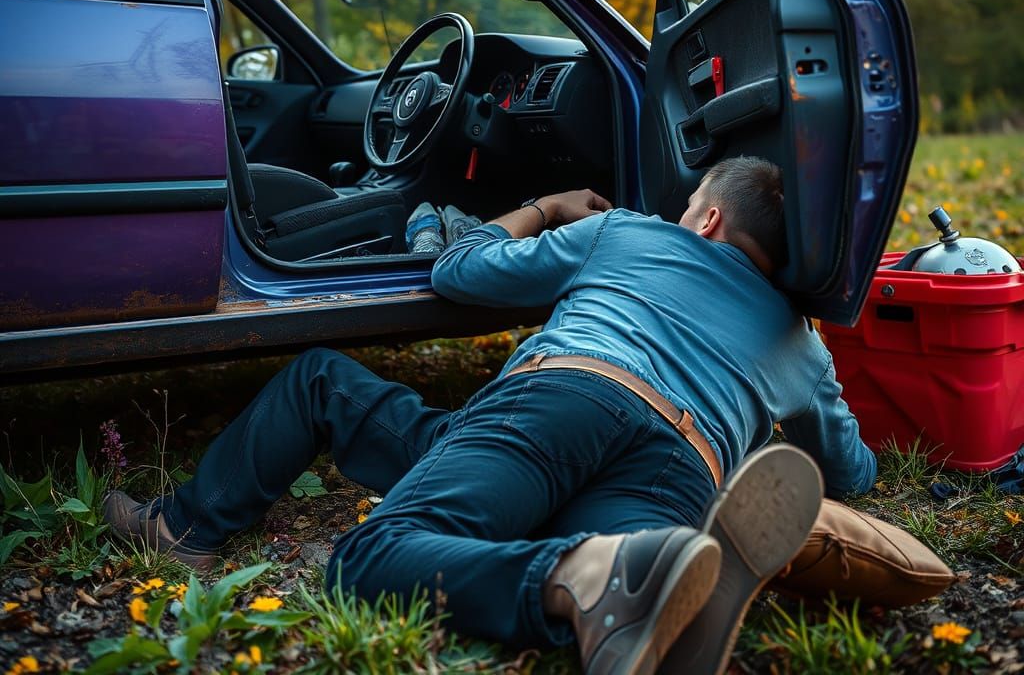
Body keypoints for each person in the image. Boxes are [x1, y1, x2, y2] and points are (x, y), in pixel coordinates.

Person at [104, 156, 876, 675]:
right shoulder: (802, 348)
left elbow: (460, 267)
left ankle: (188, 529)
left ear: (706, 222)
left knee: (368, 549)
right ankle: (632, 574)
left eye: (689, 208)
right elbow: (851, 472)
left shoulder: (626, 231)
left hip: (563, 400)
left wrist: (545, 208)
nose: (678, 216)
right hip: (684, 463)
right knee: (612, 551)